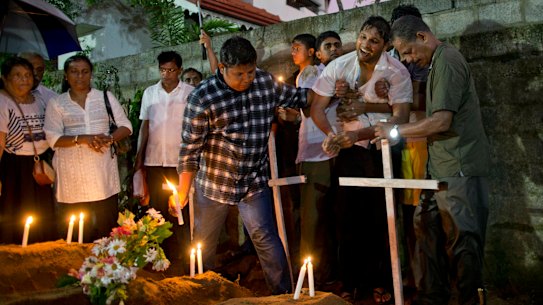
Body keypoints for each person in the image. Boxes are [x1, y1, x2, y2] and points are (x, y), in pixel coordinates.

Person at [172, 36, 312, 295]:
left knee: (265, 237)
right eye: (239, 74)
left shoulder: (265, 82)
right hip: (214, 183)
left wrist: (334, 92)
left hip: (253, 180)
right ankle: (203, 294)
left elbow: (301, 97)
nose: (247, 78)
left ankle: (283, 295)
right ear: (222, 67)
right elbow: (190, 150)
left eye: (250, 71)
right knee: (204, 243)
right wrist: (182, 191)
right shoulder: (203, 97)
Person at [375, 15, 490, 305]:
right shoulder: (435, 64)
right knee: (424, 227)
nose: (408, 60)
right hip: (438, 167)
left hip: (458, 166)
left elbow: (440, 121)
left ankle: (469, 299)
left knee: (463, 242)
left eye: (409, 52)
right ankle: (432, 297)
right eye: (402, 56)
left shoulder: (448, 61)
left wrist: (396, 131)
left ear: (423, 37)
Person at [310, 16, 412, 303]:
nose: (365, 45)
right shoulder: (338, 66)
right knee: (346, 215)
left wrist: (362, 132)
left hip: (384, 149)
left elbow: (401, 116)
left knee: (382, 216)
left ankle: (383, 282)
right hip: (349, 150)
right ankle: (352, 283)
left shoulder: (396, 71)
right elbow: (316, 107)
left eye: (374, 41)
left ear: (387, 45)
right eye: (362, 37)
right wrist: (332, 134)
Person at [44, 55, 132, 243]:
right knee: (75, 235)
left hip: (103, 178)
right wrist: (82, 139)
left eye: (84, 72)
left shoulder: (105, 97)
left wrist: (109, 138)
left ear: (91, 74)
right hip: (72, 180)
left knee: (106, 233)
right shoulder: (57, 103)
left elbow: (126, 126)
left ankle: (108, 270)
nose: (79, 77)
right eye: (74, 72)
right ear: (66, 76)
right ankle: (77, 271)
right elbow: (52, 138)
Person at [134, 51, 193, 274]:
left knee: (180, 210)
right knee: (156, 211)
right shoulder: (150, 93)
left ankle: (185, 259)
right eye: (162, 70)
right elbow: (145, 126)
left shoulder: (189, 93)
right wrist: (139, 159)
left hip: (179, 163)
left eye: (170, 70)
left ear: (179, 70)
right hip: (155, 161)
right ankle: (159, 258)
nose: (166, 75)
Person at [295, 30, 344, 286]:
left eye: (338, 44)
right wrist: (337, 95)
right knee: (312, 219)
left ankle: (331, 275)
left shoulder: (345, 72)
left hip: (341, 150)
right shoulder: (312, 73)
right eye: (328, 45)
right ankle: (308, 278)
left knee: (335, 216)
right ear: (318, 53)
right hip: (316, 153)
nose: (334, 49)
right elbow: (306, 107)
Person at [0, 57, 56, 244]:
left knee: (43, 212)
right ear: (5, 78)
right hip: (14, 167)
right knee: (18, 211)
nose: (24, 80)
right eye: (17, 76)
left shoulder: (41, 99)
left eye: (27, 75)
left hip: (40, 163)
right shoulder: (3, 101)